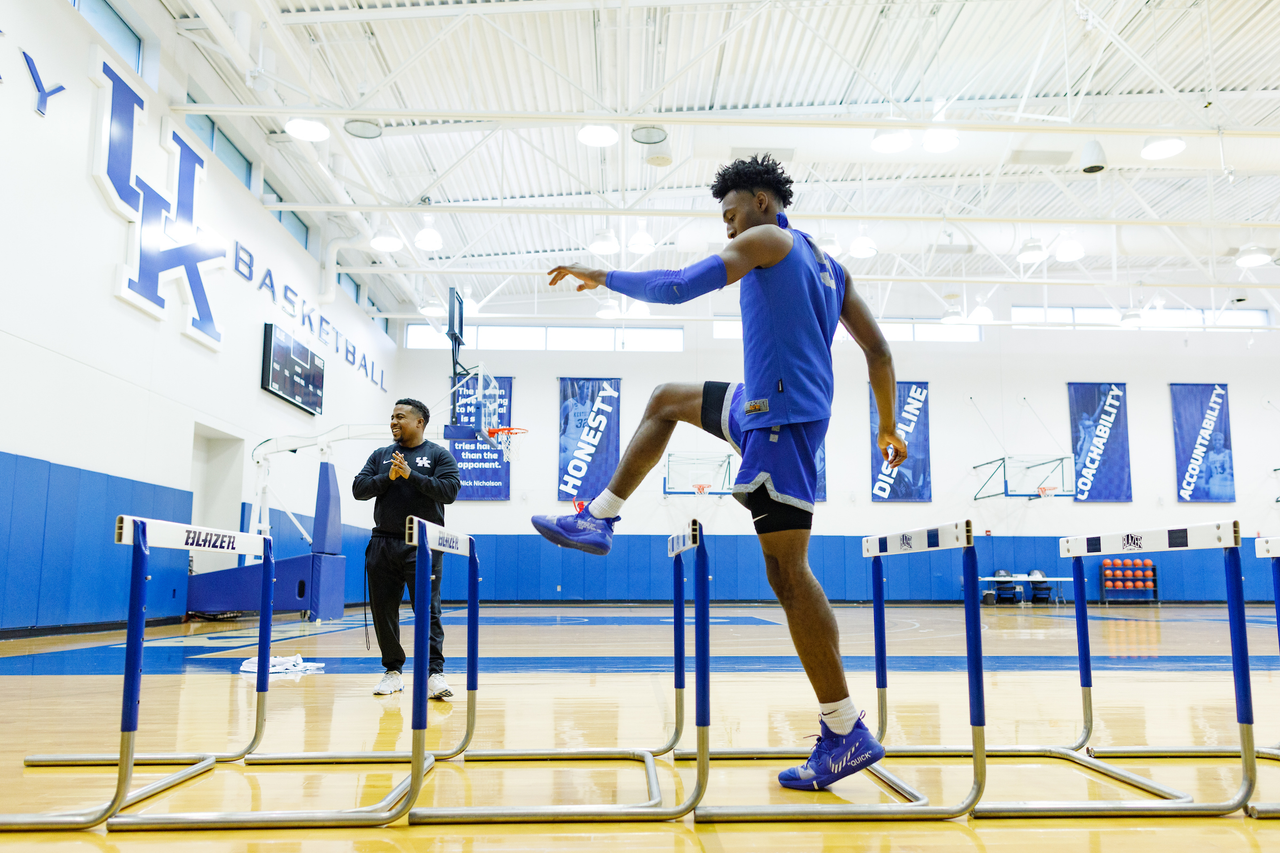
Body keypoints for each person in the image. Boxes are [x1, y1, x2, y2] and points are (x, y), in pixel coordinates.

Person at [531, 154, 907, 791]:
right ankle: (599, 518)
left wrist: (605, 274)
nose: (729, 230)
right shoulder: (831, 267)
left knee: (788, 575)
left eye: (731, 215)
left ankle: (844, 729)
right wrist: (888, 425)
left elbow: (679, 286)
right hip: (758, 405)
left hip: (782, 421)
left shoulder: (771, 240)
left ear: (763, 201)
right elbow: (879, 349)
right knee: (666, 400)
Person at [353, 398, 461, 698]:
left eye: (400, 417)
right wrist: (387, 477)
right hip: (383, 543)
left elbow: (449, 491)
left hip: (423, 544)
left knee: (428, 610)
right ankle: (393, 672)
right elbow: (359, 489)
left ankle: (434, 673)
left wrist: (410, 475)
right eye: (392, 417)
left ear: (419, 422)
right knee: (383, 611)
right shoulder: (381, 456)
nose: (393, 422)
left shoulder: (438, 455)